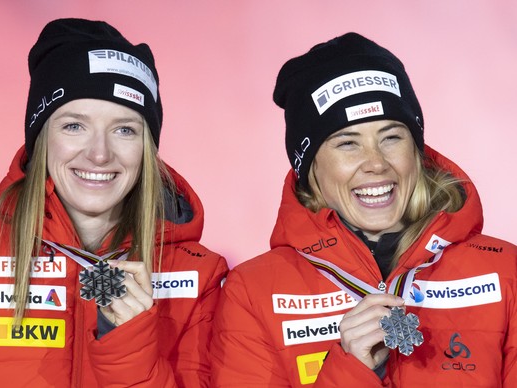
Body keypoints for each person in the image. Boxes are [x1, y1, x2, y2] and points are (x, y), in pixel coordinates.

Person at [210, 32, 517, 387]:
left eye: (391, 137)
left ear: (417, 153)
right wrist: (348, 371)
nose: (375, 163)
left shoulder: (505, 272)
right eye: (347, 143)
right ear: (310, 169)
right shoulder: (254, 292)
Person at [0, 18, 228, 387]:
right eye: (74, 126)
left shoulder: (199, 278)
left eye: (124, 129)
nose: (100, 154)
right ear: (42, 138)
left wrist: (130, 349)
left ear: (147, 148)